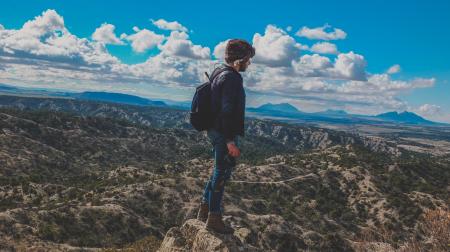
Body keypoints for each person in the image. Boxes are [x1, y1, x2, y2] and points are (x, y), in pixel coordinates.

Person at [196, 39, 255, 234]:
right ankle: (213, 218)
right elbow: (227, 111)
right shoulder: (232, 78)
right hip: (223, 133)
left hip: (213, 129)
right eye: (247, 59)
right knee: (221, 174)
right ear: (239, 60)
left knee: (218, 171)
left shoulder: (218, 71)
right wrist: (230, 140)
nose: (249, 63)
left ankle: (204, 209)